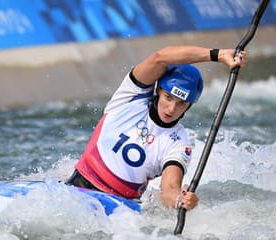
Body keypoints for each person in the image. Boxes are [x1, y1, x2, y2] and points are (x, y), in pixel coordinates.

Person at [66, 46, 246, 211]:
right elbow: (160, 58)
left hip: (118, 208)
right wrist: (218, 55)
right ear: (159, 90)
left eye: (181, 103)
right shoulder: (130, 96)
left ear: (189, 106)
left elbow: (169, 190)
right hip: (77, 185)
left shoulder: (179, 144)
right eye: (168, 97)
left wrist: (180, 200)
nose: (171, 109)